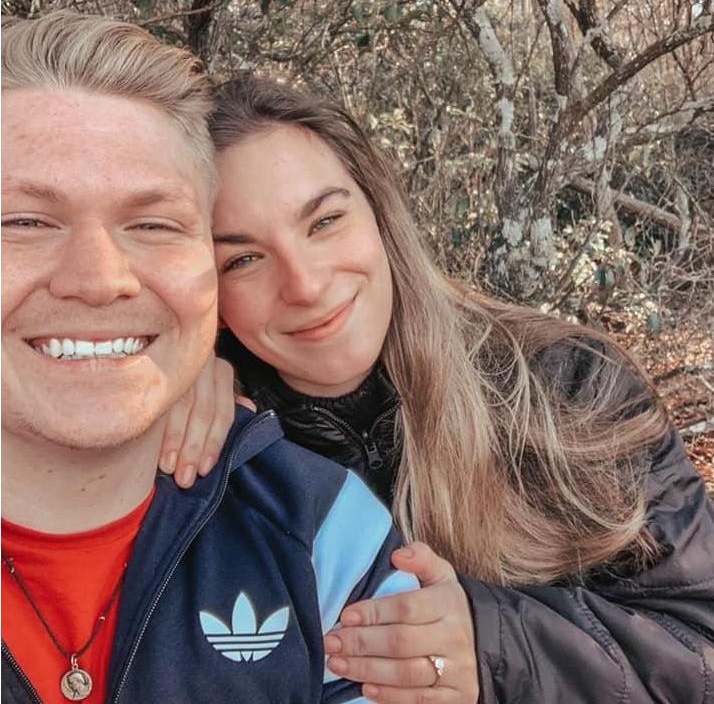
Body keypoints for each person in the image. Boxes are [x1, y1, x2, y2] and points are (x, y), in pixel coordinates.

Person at [168, 74, 714, 703]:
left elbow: (699, 650)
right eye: (242, 260)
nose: (306, 285)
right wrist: (164, 388)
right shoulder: (216, 454)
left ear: (380, 215)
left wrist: (494, 650)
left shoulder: (569, 385)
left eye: (325, 221)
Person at [1, 12, 420, 704]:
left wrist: (490, 639)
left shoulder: (323, 535)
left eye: (153, 224)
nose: (99, 279)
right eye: (24, 222)